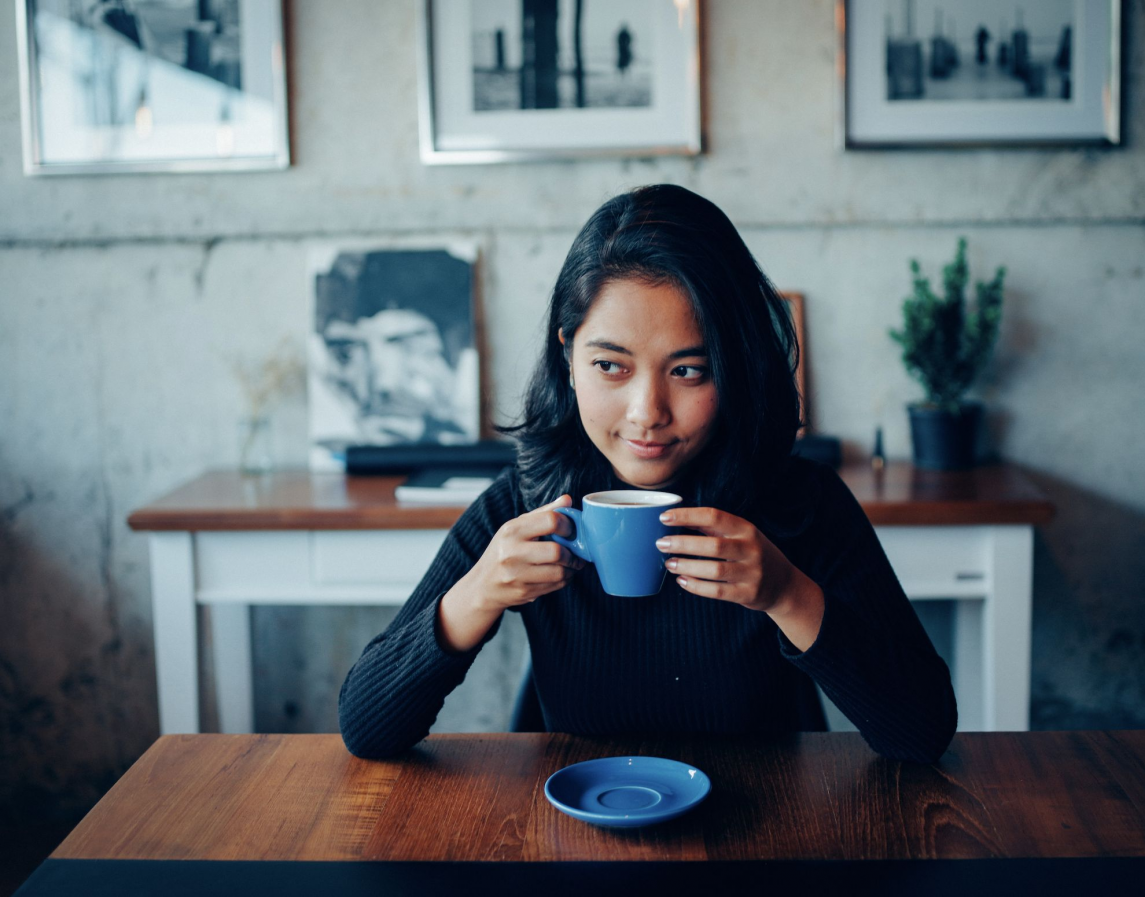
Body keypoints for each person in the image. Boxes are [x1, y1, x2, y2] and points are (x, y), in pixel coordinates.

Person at [338, 185, 957, 763]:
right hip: (574, 832)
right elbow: (365, 729)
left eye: (688, 371)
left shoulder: (803, 504)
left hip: (766, 834)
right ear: (568, 358)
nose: (647, 414)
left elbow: (924, 733)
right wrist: (477, 594)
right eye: (611, 366)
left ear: (734, 368)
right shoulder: (525, 506)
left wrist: (785, 594)